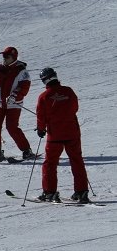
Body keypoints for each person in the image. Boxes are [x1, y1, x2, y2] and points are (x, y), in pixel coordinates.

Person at [35, 68, 89, 203]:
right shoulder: (68, 91)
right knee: (76, 160)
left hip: (55, 136)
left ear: (45, 80)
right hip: (72, 132)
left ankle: (49, 192)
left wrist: (41, 129)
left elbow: (41, 116)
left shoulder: (44, 96)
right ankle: (81, 191)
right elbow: (75, 108)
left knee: (50, 163)